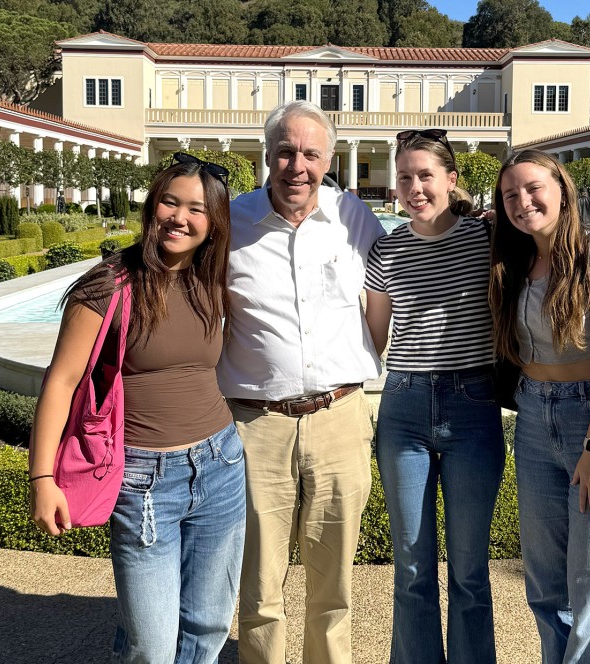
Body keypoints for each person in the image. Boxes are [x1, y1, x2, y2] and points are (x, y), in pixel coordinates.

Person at [29, 154, 244, 663]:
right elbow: (61, 381)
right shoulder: (108, 285)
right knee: (151, 644)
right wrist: (41, 478)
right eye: (170, 201)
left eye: (196, 208)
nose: (180, 218)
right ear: (152, 206)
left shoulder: (214, 279)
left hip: (221, 464)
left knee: (208, 625)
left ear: (213, 223)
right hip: (144, 480)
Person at [219, 100, 384, 664]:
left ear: (328, 158)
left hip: (340, 417)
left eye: (311, 154)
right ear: (266, 156)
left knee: (334, 579)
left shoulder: (354, 217)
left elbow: (413, 267)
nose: (298, 166)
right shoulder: (229, 221)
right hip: (255, 425)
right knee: (260, 579)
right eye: (285, 152)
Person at [489, 150, 590, 664]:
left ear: (562, 188)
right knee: (546, 588)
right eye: (510, 195)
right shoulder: (514, 257)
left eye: (533, 188)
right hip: (535, 419)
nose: (523, 201)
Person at [363, 128, 503, 664]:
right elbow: (373, 339)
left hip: (473, 404)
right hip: (404, 404)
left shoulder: (486, 238)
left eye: (425, 175)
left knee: (469, 568)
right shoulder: (386, 249)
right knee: (412, 565)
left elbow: (547, 262)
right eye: (405, 177)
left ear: (450, 179)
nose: (414, 187)